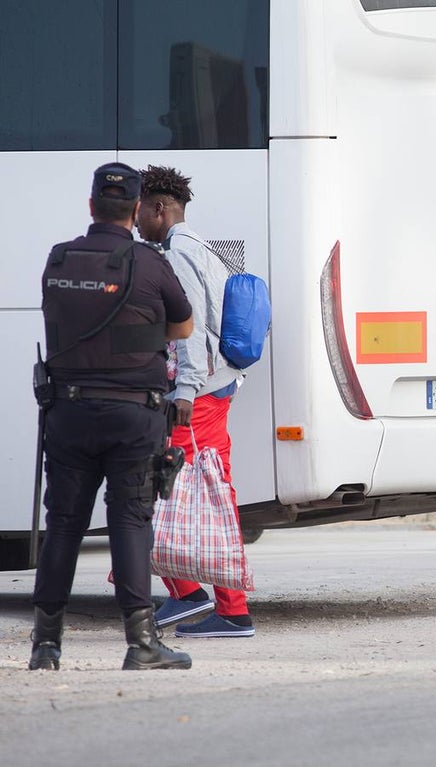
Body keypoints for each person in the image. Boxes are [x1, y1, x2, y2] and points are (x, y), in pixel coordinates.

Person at [30, 162, 195, 671]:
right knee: (129, 521)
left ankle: (46, 645)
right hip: (133, 417)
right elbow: (184, 328)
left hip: (69, 411)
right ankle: (141, 644)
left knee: (62, 526)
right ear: (136, 209)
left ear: (91, 207)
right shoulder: (148, 263)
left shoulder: (58, 260)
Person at [136, 165, 253, 638]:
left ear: (160, 209)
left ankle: (224, 607)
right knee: (196, 486)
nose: (137, 220)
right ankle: (194, 595)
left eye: (141, 211)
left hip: (198, 394)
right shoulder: (197, 247)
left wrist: (183, 390)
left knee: (175, 486)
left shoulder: (179, 254)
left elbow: (190, 328)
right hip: (214, 387)